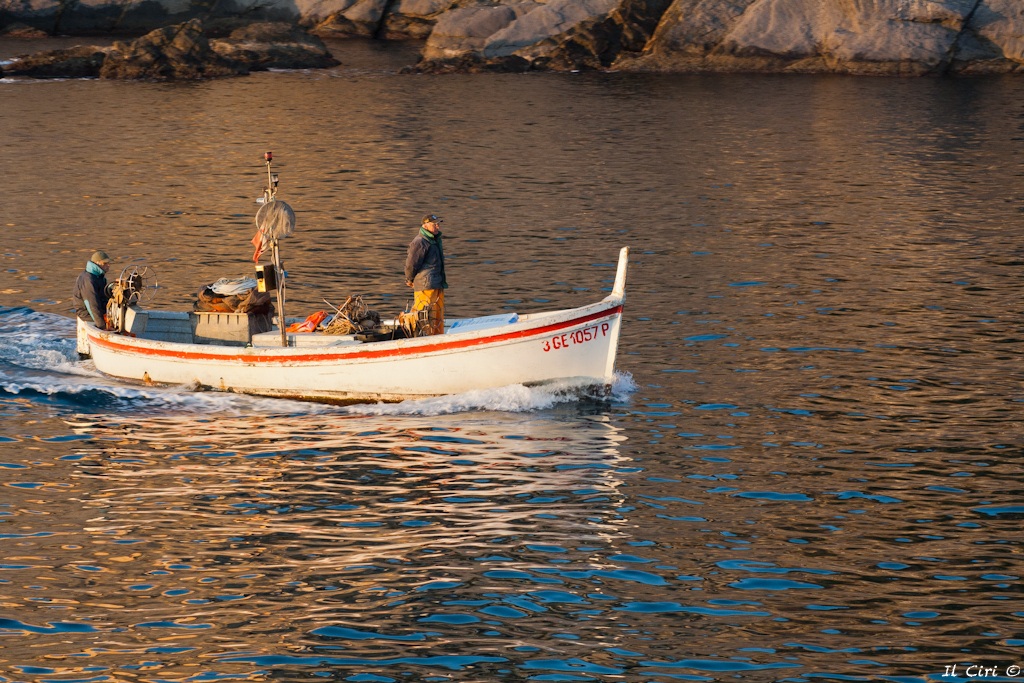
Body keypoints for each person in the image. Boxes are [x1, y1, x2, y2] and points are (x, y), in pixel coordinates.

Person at [403, 213, 448, 335]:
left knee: (437, 316)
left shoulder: (434, 240)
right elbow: (411, 264)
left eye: (438, 224)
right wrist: (409, 279)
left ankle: (437, 338)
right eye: (435, 224)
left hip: (437, 284)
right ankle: (423, 338)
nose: (438, 226)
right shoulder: (420, 241)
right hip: (425, 286)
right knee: (424, 316)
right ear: (425, 225)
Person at [72, 250, 112, 328]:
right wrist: (102, 326)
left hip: (100, 311)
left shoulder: (99, 277)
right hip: (87, 315)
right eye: (105, 263)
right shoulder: (88, 280)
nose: (108, 265)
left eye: (108, 263)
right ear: (97, 263)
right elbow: (92, 305)